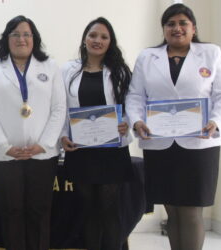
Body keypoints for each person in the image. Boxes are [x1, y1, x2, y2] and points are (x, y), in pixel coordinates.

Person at [125, 4, 221, 250]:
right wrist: (137, 120)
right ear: (163, 29)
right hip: (159, 144)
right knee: (172, 210)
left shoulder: (211, 53)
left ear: (193, 28)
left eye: (183, 23)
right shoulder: (147, 56)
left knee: (192, 211)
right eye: (170, 23)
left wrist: (216, 120)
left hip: (199, 143)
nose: (177, 28)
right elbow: (135, 96)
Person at [0, 15, 66, 250]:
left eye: (27, 34)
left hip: (42, 155)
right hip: (4, 156)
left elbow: (59, 109)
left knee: (39, 211)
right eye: (15, 34)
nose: (21, 39)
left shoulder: (50, 67)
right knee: (11, 212)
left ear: (34, 39)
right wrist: (5, 146)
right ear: (7, 39)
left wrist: (45, 143)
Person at [60, 17, 133, 249]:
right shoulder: (68, 70)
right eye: (92, 35)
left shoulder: (120, 71)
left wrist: (127, 122)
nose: (97, 40)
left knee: (108, 209)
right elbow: (61, 108)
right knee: (88, 209)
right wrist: (63, 135)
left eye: (103, 37)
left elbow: (132, 104)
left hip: (112, 151)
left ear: (110, 42)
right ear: (84, 39)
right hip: (82, 151)